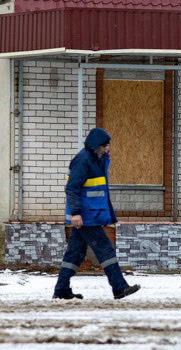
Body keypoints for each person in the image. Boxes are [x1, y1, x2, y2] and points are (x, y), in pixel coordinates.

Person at [54, 127, 140, 301]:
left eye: (107, 146)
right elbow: (72, 188)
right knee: (105, 249)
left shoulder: (97, 161)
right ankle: (119, 287)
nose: (106, 149)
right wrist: (75, 213)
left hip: (92, 215)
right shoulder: (83, 160)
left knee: (74, 254)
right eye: (104, 146)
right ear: (95, 145)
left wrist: (109, 216)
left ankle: (62, 289)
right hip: (86, 217)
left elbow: (100, 192)